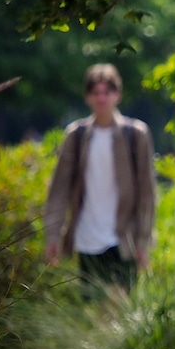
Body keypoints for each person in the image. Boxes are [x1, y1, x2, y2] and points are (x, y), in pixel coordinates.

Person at [42, 63, 157, 298]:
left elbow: (147, 192)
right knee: (94, 310)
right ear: (88, 97)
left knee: (121, 307)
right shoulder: (77, 135)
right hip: (87, 235)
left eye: (107, 92)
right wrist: (53, 236)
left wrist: (143, 242)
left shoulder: (135, 134)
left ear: (117, 95)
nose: (102, 98)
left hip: (123, 236)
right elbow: (59, 189)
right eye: (96, 92)